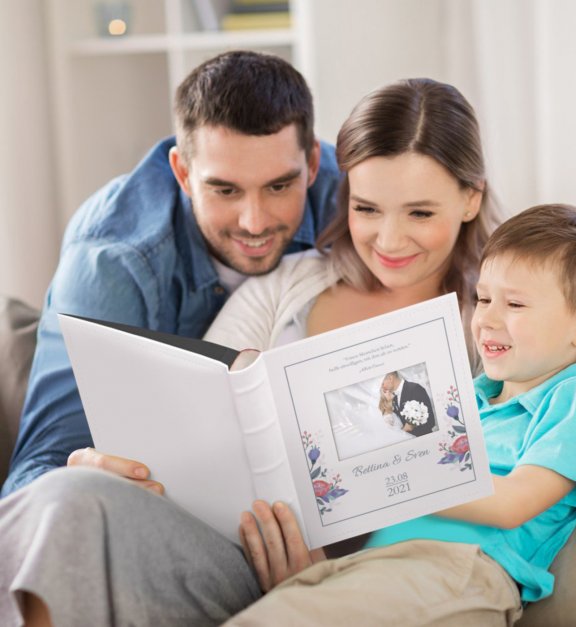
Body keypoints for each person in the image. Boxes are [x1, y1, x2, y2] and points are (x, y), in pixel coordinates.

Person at [0, 77, 500, 626]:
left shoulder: (492, 325)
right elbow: (189, 406)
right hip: (215, 547)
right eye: (367, 209)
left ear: (470, 197)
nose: (389, 239)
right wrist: (109, 464)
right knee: (71, 497)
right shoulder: (291, 283)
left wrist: (320, 578)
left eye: (420, 214)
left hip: (357, 581)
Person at [225, 204, 576, 626]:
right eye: (483, 298)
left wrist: (392, 473)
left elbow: (513, 503)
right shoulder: (465, 394)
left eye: (516, 304)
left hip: (461, 571)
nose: (486, 318)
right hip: (374, 565)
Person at [1, 50, 340, 497]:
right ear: (182, 172)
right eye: (224, 189)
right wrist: (81, 482)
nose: (254, 221)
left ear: (312, 163)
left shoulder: (355, 201)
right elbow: (31, 479)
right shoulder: (113, 262)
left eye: (279, 186)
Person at [379, 370, 436, 436]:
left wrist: (412, 424)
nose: (382, 387)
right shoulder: (393, 398)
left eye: (382, 384)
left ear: (390, 378)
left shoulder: (415, 388)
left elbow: (431, 421)